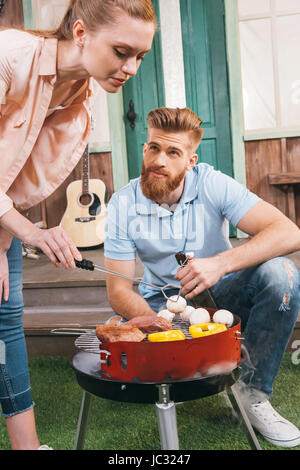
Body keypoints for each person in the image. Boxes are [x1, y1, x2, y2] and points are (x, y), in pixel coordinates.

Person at [0, 0, 156, 450]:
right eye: (122, 51)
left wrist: (3, 236)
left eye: (140, 56)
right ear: (83, 33)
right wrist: (30, 231)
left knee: (6, 320)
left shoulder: (78, 99)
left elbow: (15, 176)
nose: (131, 68)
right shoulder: (10, 58)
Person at [104, 107, 300, 448]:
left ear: (191, 161)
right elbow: (119, 289)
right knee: (140, 335)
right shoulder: (122, 203)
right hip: (162, 305)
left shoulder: (212, 182)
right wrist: (156, 324)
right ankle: (182, 365)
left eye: (173, 153)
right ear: (144, 148)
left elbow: (288, 232)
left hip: (219, 292)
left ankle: (251, 395)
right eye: (153, 148)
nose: (159, 161)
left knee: (282, 273)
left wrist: (219, 264)